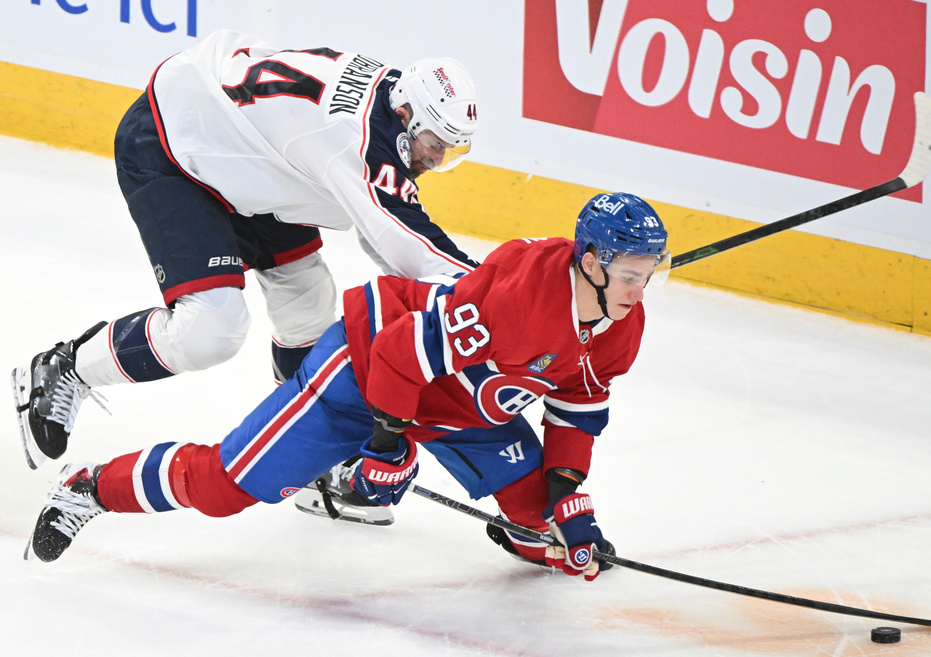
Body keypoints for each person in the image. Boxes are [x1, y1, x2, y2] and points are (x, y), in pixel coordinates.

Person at [24, 192, 671, 582]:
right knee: (224, 487)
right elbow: (397, 354)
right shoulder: (519, 300)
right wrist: (387, 446)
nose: (639, 292)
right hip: (366, 371)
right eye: (631, 276)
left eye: (649, 275)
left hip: (459, 402)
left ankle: (527, 529)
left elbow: (577, 406)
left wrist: (565, 492)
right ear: (591, 263)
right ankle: (90, 488)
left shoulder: (622, 321)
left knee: (541, 515)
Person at [11, 28, 480, 474]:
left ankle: (300, 445)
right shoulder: (356, 141)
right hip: (174, 144)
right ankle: (66, 368)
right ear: (405, 115)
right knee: (210, 330)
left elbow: (383, 229)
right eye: (434, 144)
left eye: (450, 152)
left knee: (307, 301)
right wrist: (492, 292)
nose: (436, 159)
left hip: (247, 148)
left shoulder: (393, 97)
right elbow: (403, 244)